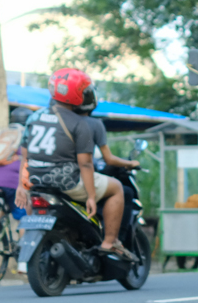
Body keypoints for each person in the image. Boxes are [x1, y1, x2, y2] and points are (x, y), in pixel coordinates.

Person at [15, 68, 130, 256]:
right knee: (117, 187)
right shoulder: (80, 123)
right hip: (66, 182)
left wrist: (22, 185)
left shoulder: (34, 117)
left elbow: (25, 156)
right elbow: (85, 164)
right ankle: (110, 242)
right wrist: (91, 196)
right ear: (77, 95)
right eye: (84, 91)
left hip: (37, 181)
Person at [0, 106, 34, 224]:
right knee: (24, 217)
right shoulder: (26, 135)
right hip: (11, 182)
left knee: (8, 205)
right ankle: (23, 236)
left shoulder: (5, 133)